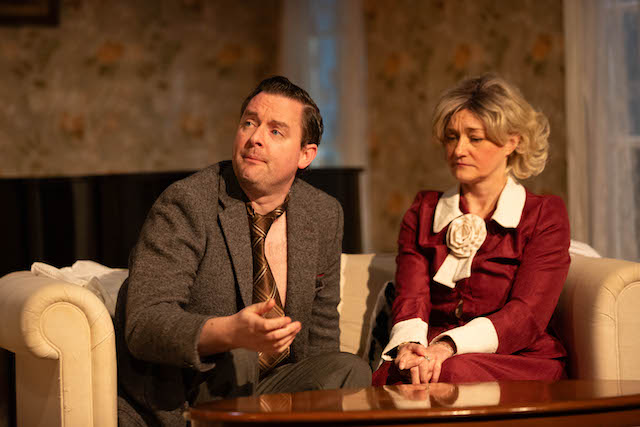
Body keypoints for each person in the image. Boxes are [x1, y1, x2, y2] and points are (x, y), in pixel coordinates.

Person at [115, 76, 372, 426]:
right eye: (249, 123)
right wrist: (228, 332)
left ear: (305, 155)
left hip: (275, 387)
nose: (255, 138)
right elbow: (144, 324)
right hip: (193, 390)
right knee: (242, 355)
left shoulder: (324, 213)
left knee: (348, 370)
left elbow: (321, 335)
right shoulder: (187, 203)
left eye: (275, 131)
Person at [372, 74, 570, 386]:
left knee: (451, 375)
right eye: (452, 137)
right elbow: (412, 295)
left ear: (512, 141)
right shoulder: (424, 211)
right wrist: (410, 346)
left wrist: (448, 346)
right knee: (392, 374)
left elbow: (527, 314)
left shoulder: (544, 215)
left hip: (516, 357)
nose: (458, 150)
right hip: (434, 352)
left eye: (474, 138)